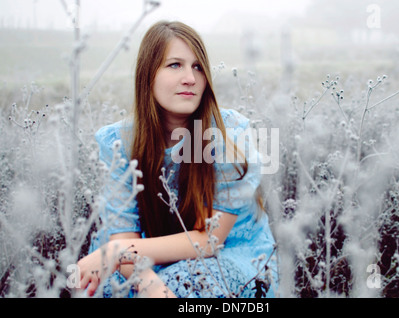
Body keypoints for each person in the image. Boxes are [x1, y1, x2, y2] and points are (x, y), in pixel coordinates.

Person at [77, 20, 277, 298]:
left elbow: (209, 240)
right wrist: (146, 280)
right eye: (175, 65)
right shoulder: (119, 142)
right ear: (148, 75)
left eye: (197, 67)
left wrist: (115, 253)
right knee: (108, 288)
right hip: (146, 253)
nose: (190, 78)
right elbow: (123, 235)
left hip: (228, 255)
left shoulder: (230, 134)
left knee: (189, 285)